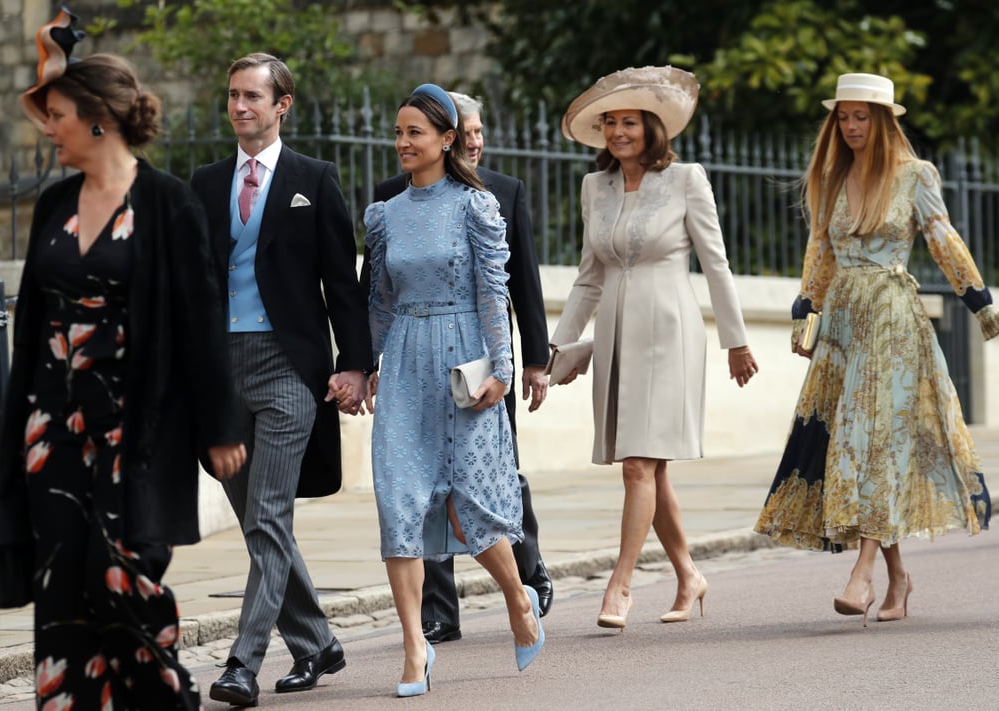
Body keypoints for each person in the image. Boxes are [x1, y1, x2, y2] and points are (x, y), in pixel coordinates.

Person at [0, 8, 247, 710]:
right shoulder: (52, 204)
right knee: (63, 583)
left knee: (126, 582)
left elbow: (200, 319)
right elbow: (33, 322)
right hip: (54, 428)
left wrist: (220, 425)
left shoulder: (168, 204)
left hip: (135, 427)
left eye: (59, 115)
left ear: (99, 118)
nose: (49, 129)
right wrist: (16, 431)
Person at [754, 73, 995, 624]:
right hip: (843, 324)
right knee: (856, 441)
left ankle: (862, 573)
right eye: (843, 117)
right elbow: (820, 250)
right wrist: (806, 311)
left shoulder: (915, 175)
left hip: (892, 317)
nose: (851, 126)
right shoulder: (833, 177)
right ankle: (899, 578)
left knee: (872, 439)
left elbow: (943, 238)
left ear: (884, 121)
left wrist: (980, 302)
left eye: (862, 117)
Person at [190, 53, 373, 707]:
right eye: (233, 95)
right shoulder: (205, 182)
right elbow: (192, 285)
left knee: (268, 512)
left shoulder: (313, 180)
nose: (240, 107)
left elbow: (342, 286)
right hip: (221, 370)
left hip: (290, 368)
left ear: (282, 105)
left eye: (253, 97)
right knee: (257, 521)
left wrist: (355, 364)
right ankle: (319, 641)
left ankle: (244, 661)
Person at [552, 66, 758, 630]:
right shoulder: (595, 187)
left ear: (651, 128)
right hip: (616, 333)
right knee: (650, 467)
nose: (619, 132)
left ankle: (620, 585)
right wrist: (558, 348)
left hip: (671, 332)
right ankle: (689, 574)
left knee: (639, 464)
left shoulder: (686, 178)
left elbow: (715, 264)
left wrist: (736, 341)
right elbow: (588, 278)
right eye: (610, 123)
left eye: (629, 122)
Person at [359, 83, 544, 696]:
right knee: (399, 499)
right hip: (407, 363)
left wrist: (504, 369)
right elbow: (379, 301)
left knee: (470, 508)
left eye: (415, 132)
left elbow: (495, 294)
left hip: (464, 362)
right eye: (398, 132)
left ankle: (518, 598)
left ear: (447, 139)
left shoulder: (476, 206)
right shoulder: (385, 214)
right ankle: (415, 647)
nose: (403, 143)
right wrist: (365, 365)